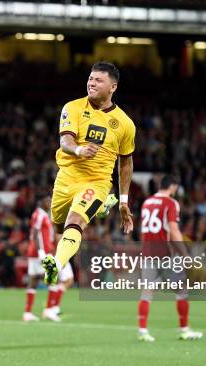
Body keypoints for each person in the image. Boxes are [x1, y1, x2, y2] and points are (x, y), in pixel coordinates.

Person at [41, 61, 135, 285]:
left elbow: (126, 162)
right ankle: (101, 207)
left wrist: (124, 201)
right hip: (67, 178)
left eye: (98, 80)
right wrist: (79, 149)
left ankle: (57, 264)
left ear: (113, 87)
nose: (91, 83)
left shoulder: (125, 124)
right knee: (58, 227)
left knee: (75, 221)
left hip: (97, 181)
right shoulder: (72, 107)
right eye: (90, 79)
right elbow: (65, 140)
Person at [137, 175, 203, 342]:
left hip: (148, 252)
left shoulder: (147, 202)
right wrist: (185, 255)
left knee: (147, 293)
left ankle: (142, 332)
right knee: (181, 291)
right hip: (166, 254)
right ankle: (184, 330)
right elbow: (173, 231)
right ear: (172, 186)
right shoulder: (171, 203)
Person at [23, 196, 74, 323]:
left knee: (33, 280)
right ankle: (50, 309)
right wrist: (41, 251)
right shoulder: (39, 215)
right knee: (53, 278)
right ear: (42, 202)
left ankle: (28, 312)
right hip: (41, 252)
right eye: (48, 201)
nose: (51, 203)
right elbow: (35, 232)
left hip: (36, 252)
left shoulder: (43, 215)